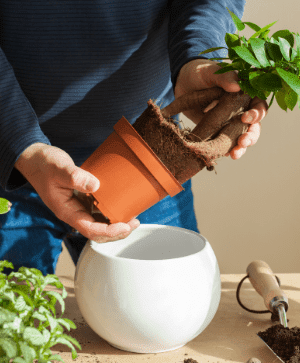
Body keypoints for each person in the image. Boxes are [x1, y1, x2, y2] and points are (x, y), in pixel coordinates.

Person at [0, 0, 268, 276]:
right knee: (13, 314)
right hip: (11, 165)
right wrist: (21, 144)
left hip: (150, 167)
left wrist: (196, 54)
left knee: (167, 308)